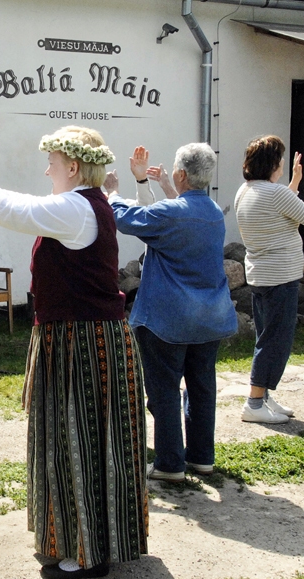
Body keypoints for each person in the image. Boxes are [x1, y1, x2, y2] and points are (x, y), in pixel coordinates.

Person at [0, 126, 148, 579]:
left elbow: (9, 207)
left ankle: (88, 555)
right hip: (81, 336)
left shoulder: (76, 208)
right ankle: (83, 541)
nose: (47, 171)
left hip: (83, 342)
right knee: (77, 440)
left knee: (79, 440)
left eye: (53, 164)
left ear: (73, 167)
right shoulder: (84, 205)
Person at [106, 144, 237, 481]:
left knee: (164, 390)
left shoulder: (171, 213)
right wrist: (164, 185)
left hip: (168, 318)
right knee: (202, 387)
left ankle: (169, 463)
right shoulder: (212, 211)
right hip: (209, 317)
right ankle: (201, 458)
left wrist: (113, 192)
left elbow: (124, 219)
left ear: (180, 174)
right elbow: (181, 213)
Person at [234, 136, 304, 424]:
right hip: (279, 277)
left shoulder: (246, 190)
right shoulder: (275, 193)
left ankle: (264, 397)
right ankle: (255, 403)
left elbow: (278, 209)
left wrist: (293, 182)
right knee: (275, 342)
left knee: (266, 338)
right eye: (280, 158)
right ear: (273, 163)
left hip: (261, 276)